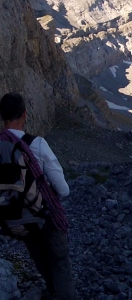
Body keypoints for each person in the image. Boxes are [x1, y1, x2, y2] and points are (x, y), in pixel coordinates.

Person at [0, 92, 77, 300]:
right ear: (25, 114)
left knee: (40, 258)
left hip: (15, 217)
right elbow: (63, 189)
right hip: (45, 215)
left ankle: (52, 290)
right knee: (60, 262)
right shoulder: (37, 144)